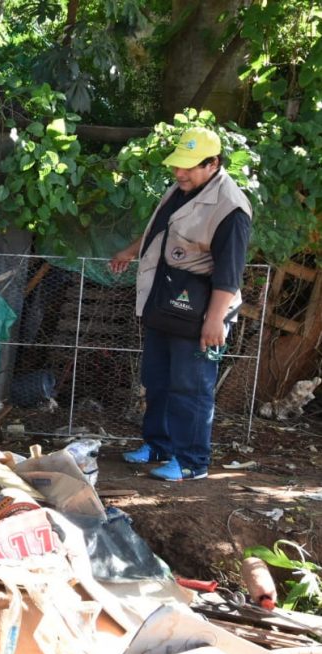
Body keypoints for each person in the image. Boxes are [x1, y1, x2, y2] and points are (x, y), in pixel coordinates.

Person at [109, 126, 252, 481]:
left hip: (202, 309)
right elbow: (160, 229)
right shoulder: (183, 188)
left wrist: (215, 321)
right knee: (157, 378)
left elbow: (230, 273)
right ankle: (159, 445)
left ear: (213, 163)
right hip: (165, 300)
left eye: (188, 166)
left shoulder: (231, 208)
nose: (179, 172)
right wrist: (131, 251)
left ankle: (191, 462)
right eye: (177, 165)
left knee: (192, 386)